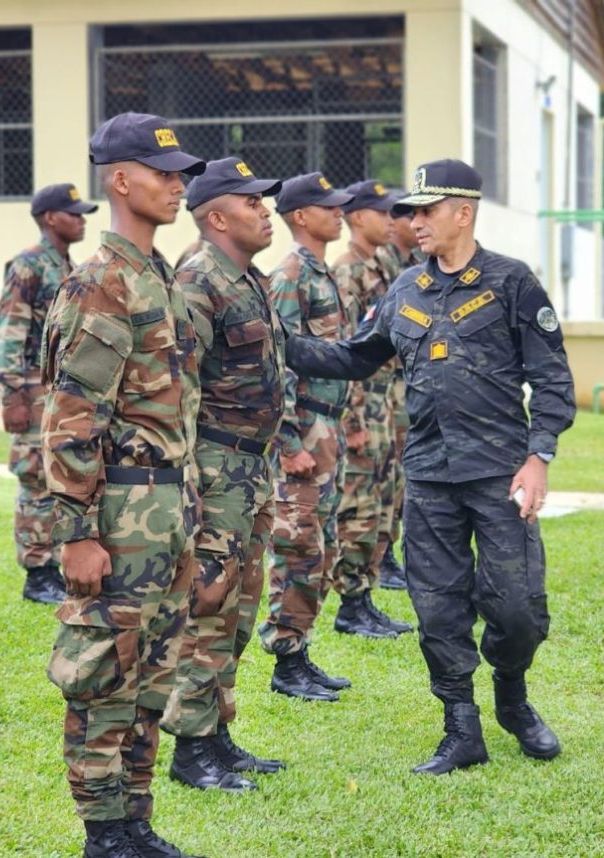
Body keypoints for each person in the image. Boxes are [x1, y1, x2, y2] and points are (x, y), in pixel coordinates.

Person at [283, 159, 575, 775]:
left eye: (426, 211)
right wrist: (272, 340)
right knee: (438, 608)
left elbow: (552, 379)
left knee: (517, 607)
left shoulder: (511, 282)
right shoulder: (405, 289)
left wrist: (539, 456)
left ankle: (514, 701)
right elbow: (356, 357)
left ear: (462, 212)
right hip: (430, 476)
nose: (413, 222)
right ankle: (460, 729)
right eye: (410, 212)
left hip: (500, 473)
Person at [41, 112, 205, 858]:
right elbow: (73, 417)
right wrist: (75, 531)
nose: (176, 187)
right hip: (120, 508)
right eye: (161, 173)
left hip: (168, 503)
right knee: (106, 669)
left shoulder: (156, 276)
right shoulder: (101, 281)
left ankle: (136, 818)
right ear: (121, 179)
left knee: (155, 668)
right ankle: (103, 831)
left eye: (180, 175)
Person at [161, 157, 285, 793]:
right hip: (213, 468)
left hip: (250, 469)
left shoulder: (248, 277)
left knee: (239, 606)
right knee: (207, 602)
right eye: (253, 202)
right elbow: (178, 394)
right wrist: (189, 487)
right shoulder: (196, 281)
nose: (266, 211)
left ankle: (216, 731)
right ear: (217, 217)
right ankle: (189, 748)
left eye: (265, 202)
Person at [255, 172, 357, 702]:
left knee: (322, 544)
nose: (338, 212)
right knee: (297, 544)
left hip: (328, 427)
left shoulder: (322, 273)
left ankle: (302, 649)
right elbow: (280, 364)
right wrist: (289, 442)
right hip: (304, 429)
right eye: (328, 206)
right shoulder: (290, 275)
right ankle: (285, 659)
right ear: (299, 215)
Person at [0, 182, 97, 603]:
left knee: (62, 475)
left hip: (62, 391)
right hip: (34, 392)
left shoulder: (67, 265)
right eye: (73, 213)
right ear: (50, 218)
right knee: (36, 478)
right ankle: (37, 573)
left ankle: (54, 563)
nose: (82, 219)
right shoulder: (29, 265)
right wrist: (12, 395)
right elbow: (9, 334)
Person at [329, 179, 412, 639]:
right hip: (364, 401)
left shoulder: (378, 267)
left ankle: (367, 592)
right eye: (382, 213)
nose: (389, 220)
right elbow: (346, 349)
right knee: (359, 501)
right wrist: (354, 417)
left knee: (382, 496)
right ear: (357, 216)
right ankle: (351, 602)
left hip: (386, 398)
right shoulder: (348, 271)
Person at [375, 188, 426, 591]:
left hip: (398, 394)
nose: (414, 222)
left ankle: (387, 555)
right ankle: (380, 560)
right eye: (407, 214)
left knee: (395, 481)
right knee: (373, 486)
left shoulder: (415, 266)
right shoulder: (370, 267)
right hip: (375, 396)